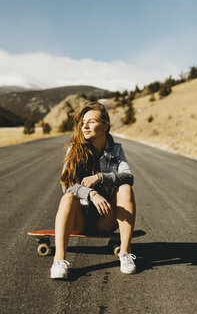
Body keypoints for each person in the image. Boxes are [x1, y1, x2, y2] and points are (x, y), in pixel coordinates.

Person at [50, 102, 136, 279]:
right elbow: (66, 184)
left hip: (105, 218)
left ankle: (125, 253)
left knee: (125, 188)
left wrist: (100, 177)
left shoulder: (116, 150)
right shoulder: (75, 148)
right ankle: (59, 261)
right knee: (67, 198)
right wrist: (91, 193)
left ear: (105, 126)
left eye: (91, 121)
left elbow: (129, 176)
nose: (85, 126)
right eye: (83, 123)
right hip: (80, 217)